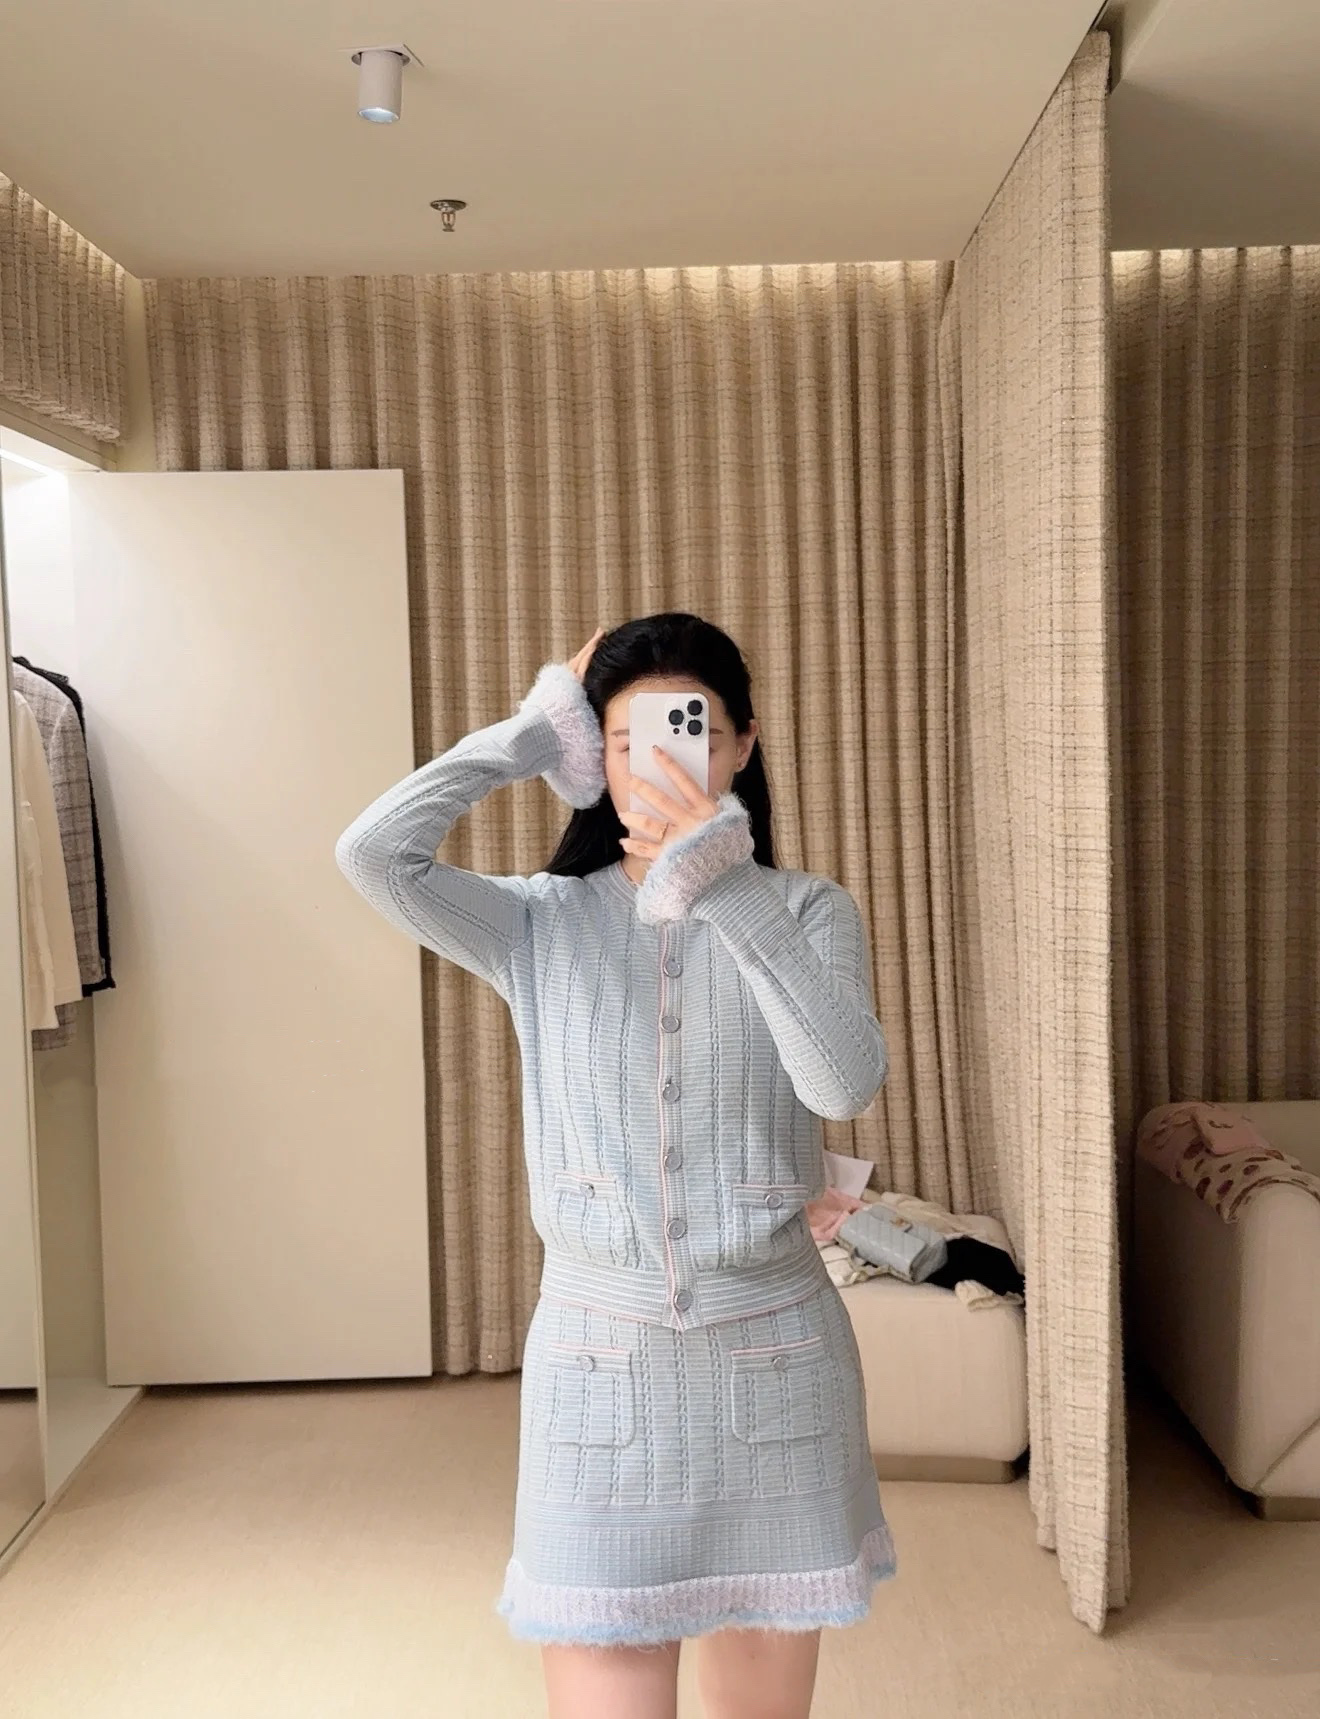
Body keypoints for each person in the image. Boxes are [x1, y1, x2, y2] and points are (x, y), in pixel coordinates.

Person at [336, 613, 896, 1719]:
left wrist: (723, 883)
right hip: (598, 1377)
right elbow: (372, 855)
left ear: (742, 746)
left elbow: (842, 1084)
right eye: (625, 741)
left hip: (779, 1370)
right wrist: (526, 736)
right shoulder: (537, 923)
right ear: (594, 758)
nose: (660, 765)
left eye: (690, 735)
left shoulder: (806, 911)